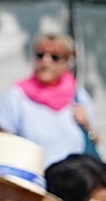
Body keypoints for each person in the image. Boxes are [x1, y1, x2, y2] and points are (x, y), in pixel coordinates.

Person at [0, 32, 97, 165]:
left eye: (55, 57)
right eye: (40, 55)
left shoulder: (78, 95)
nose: (46, 61)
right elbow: (4, 143)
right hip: (33, 180)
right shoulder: (17, 95)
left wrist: (87, 125)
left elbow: (95, 140)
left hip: (72, 180)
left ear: (67, 61)